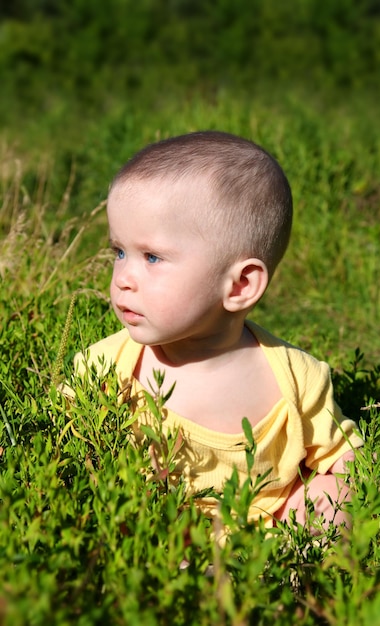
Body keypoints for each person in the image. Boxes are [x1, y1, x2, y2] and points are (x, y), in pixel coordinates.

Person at [73, 130, 363, 530]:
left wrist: (332, 502)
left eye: (152, 257)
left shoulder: (296, 379)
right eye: (119, 252)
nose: (123, 277)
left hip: (265, 537)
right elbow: (63, 451)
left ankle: (285, 578)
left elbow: (345, 458)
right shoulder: (105, 366)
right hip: (156, 534)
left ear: (241, 285)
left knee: (335, 495)